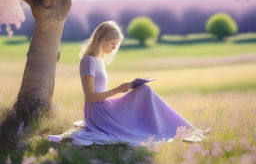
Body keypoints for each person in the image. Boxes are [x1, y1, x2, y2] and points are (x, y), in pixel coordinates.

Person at [48, 20, 210, 146]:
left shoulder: (98, 60)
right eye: (112, 43)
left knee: (144, 90)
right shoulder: (88, 61)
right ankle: (182, 131)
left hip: (105, 105)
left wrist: (127, 87)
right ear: (102, 39)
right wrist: (119, 89)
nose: (114, 48)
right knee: (144, 94)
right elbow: (90, 97)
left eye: (116, 45)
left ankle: (188, 130)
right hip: (98, 112)